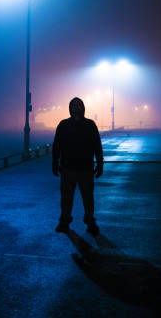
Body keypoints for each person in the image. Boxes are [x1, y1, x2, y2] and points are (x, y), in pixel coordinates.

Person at [52, 97, 104, 235]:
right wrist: (54, 161)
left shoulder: (89, 125)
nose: (76, 108)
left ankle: (89, 221)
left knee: (87, 199)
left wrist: (100, 163)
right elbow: (56, 145)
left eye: (78, 105)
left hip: (84, 169)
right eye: (74, 105)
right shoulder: (63, 125)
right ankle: (65, 221)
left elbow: (97, 146)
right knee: (67, 199)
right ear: (70, 108)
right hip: (69, 168)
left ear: (83, 108)